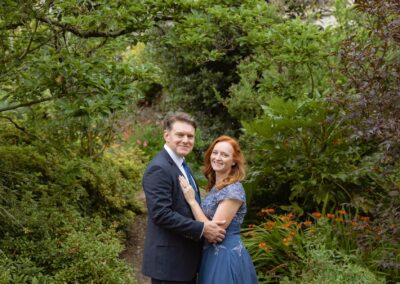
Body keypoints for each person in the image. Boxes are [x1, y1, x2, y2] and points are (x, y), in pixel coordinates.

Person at [142, 111, 226, 284]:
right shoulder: (159, 168)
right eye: (180, 135)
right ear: (167, 135)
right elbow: (161, 214)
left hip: (184, 262)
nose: (186, 140)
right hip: (169, 265)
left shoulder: (181, 164)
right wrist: (202, 229)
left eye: (190, 136)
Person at [179, 135, 258, 284]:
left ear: (234, 161)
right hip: (211, 255)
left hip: (225, 258)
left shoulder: (233, 190)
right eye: (215, 153)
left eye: (224, 155)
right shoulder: (217, 186)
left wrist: (192, 201)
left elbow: (213, 233)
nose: (217, 157)